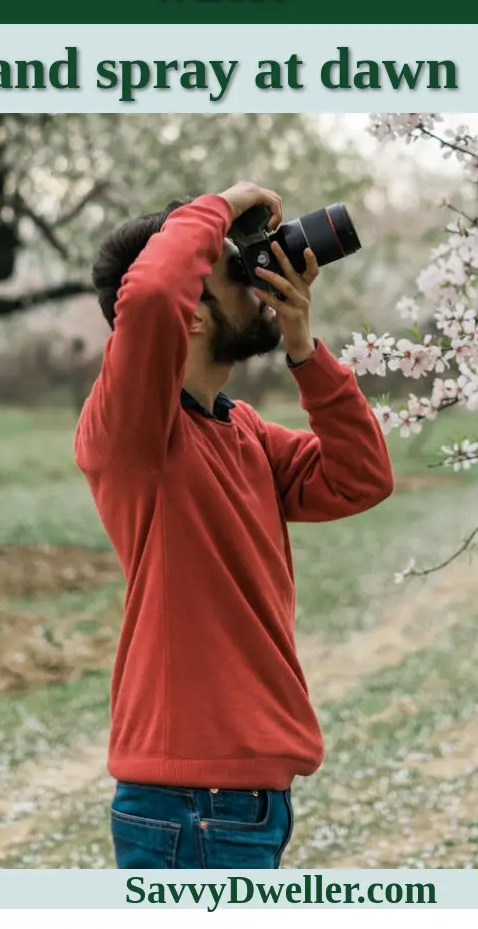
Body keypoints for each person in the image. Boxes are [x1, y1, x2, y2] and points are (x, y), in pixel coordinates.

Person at [75, 183, 394, 870]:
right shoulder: (134, 432)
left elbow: (360, 478)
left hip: (240, 796)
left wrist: (304, 347)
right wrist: (223, 201)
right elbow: (154, 294)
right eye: (236, 272)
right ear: (190, 313)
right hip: (191, 801)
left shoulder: (241, 429)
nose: (258, 285)